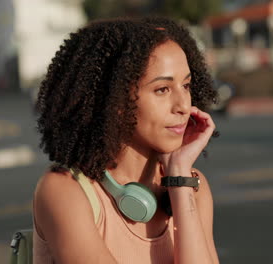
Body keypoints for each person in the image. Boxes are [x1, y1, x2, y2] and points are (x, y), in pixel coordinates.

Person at [33, 16, 220, 264]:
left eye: (186, 86)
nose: (184, 106)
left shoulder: (191, 185)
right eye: (162, 89)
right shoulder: (65, 191)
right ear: (116, 101)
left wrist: (179, 179)